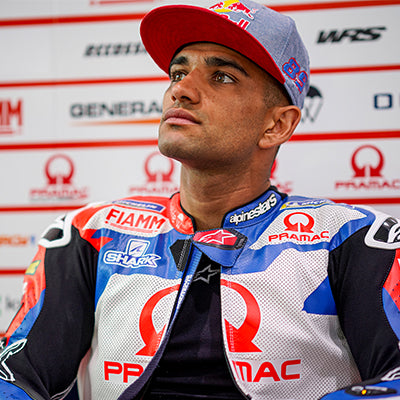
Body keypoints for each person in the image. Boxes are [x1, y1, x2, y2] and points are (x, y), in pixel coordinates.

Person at [1, 1, 400, 399]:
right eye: (178, 73)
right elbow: (17, 377)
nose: (181, 90)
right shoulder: (89, 233)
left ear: (277, 124)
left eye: (222, 77)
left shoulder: (355, 238)